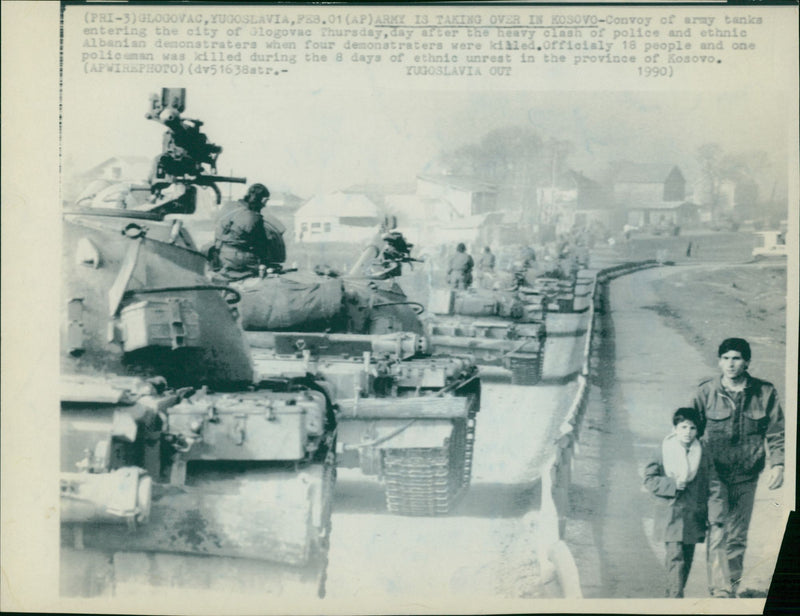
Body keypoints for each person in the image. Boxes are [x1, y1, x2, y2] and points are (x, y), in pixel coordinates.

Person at [691, 337, 785, 597]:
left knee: (738, 534)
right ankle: (720, 589)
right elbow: (689, 430)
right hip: (714, 474)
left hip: (747, 474)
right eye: (725, 358)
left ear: (747, 362)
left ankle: (731, 585)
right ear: (719, 361)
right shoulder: (706, 391)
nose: (730, 364)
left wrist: (778, 464)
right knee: (718, 527)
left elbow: (777, 431)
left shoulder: (765, 392)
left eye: (736, 358)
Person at [643, 408, 725, 598]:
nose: (688, 432)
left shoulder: (702, 452)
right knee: (675, 556)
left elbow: (713, 484)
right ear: (675, 428)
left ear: (697, 431)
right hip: (670, 514)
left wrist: (715, 515)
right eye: (683, 427)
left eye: (692, 428)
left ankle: (673, 593)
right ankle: (675, 597)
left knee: (686, 559)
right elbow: (649, 479)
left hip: (693, 515)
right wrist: (671, 484)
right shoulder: (663, 449)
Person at [213, 183, 285, 280]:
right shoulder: (254, 217)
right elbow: (261, 244)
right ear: (263, 200)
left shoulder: (230, 208)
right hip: (237, 259)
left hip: (221, 255)